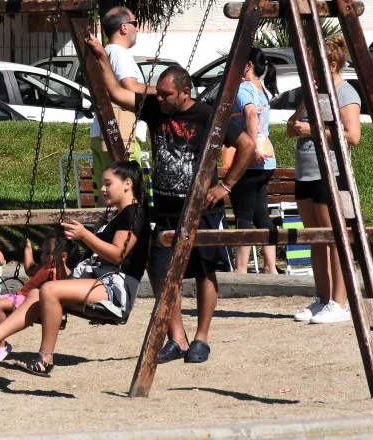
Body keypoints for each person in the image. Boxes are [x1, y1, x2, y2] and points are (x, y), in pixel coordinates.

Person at [85, 32, 257, 364]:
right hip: (164, 206)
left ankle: (201, 338)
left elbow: (247, 145)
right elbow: (119, 94)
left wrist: (226, 186)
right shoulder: (155, 109)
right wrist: (100, 57)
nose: (159, 99)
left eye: (166, 95)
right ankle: (176, 338)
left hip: (201, 206)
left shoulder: (208, 115)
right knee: (162, 271)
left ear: (184, 92)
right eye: (158, 94)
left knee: (206, 270)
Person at [0, 161, 148, 376]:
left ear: (127, 184)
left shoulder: (134, 213)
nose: (102, 189)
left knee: (49, 290)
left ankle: (45, 359)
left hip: (116, 289)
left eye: (108, 184)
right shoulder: (117, 215)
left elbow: (118, 253)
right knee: (36, 292)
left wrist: (85, 236)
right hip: (99, 281)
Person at [287, 37, 361, 324]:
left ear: (331, 66)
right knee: (314, 238)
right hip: (305, 172)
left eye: (313, 67)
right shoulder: (312, 93)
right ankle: (322, 298)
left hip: (330, 173)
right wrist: (297, 127)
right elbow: (293, 128)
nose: (309, 73)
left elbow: (353, 136)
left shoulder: (345, 93)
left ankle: (340, 302)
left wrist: (312, 129)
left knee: (334, 239)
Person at [0, 234, 78, 366]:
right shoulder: (44, 267)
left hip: (29, 301)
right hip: (19, 295)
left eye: (48, 252)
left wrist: (59, 261)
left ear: (63, 256)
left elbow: (64, 281)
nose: (43, 256)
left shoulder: (61, 270)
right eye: (42, 251)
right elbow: (29, 269)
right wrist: (28, 248)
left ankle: (2, 346)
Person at [223, 47, 280, 274]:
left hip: (250, 161)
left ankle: (240, 269)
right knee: (261, 214)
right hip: (267, 163)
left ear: (246, 66)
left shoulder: (244, 88)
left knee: (243, 215)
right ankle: (270, 267)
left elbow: (249, 113)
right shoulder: (261, 90)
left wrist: (251, 145)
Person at [89, 6, 150, 173]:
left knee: (106, 190)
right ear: (124, 27)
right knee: (127, 190)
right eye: (134, 23)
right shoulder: (120, 54)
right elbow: (131, 87)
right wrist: (162, 92)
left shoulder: (105, 52)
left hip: (99, 133)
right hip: (120, 134)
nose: (136, 28)